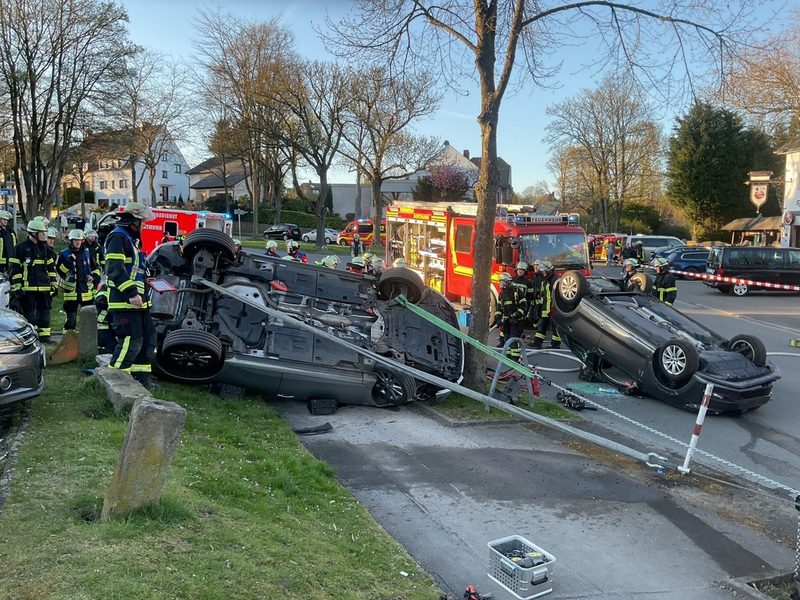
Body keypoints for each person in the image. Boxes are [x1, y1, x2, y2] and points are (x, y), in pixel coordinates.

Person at [104, 202, 159, 390]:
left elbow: (135, 271)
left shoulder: (132, 240)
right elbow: (114, 269)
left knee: (147, 340)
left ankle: (141, 378)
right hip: (125, 301)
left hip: (139, 302)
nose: (144, 225)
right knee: (130, 341)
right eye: (142, 221)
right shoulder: (118, 237)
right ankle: (115, 380)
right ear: (133, 221)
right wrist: (132, 293)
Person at [9, 220, 57, 342]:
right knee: (30, 315)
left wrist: (53, 283)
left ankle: (45, 337)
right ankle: (30, 338)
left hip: (45, 288)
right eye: (41, 233)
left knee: (45, 313)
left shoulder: (46, 249)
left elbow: (51, 269)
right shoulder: (20, 248)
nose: (44, 235)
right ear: (33, 233)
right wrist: (18, 285)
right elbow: (15, 269)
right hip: (28, 288)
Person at [56, 229, 95, 331]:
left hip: (86, 292)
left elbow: (95, 268)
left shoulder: (87, 253)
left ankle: (87, 340)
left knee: (88, 319)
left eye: (80, 240)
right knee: (71, 320)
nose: (78, 242)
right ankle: (68, 340)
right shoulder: (64, 254)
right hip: (71, 292)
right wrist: (69, 262)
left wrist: (94, 277)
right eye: (75, 240)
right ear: (71, 241)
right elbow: (60, 271)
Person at [492, 272, 527, 359]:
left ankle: (515, 359)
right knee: (506, 339)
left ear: (509, 282)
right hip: (506, 322)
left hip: (516, 322)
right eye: (501, 283)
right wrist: (498, 319)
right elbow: (498, 309)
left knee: (513, 340)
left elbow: (524, 307)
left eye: (504, 282)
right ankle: (508, 358)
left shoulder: (517, 292)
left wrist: (516, 315)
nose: (502, 285)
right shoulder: (501, 295)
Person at [530, 261, 561, 350]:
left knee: (554, 326)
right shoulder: (546, 279)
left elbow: (556, 296)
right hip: (545, 307)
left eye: (544, 271)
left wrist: (553, 308)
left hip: (552, 308)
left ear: (549, 271)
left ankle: (555, 344)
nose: (543, 273)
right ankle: (537, 343)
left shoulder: (554, 280)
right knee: (541, 325)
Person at [0, 209, 17, 276]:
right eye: (4, 219)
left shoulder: (11, 232)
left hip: (10, 262)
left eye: (7, 220)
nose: (6, 221)